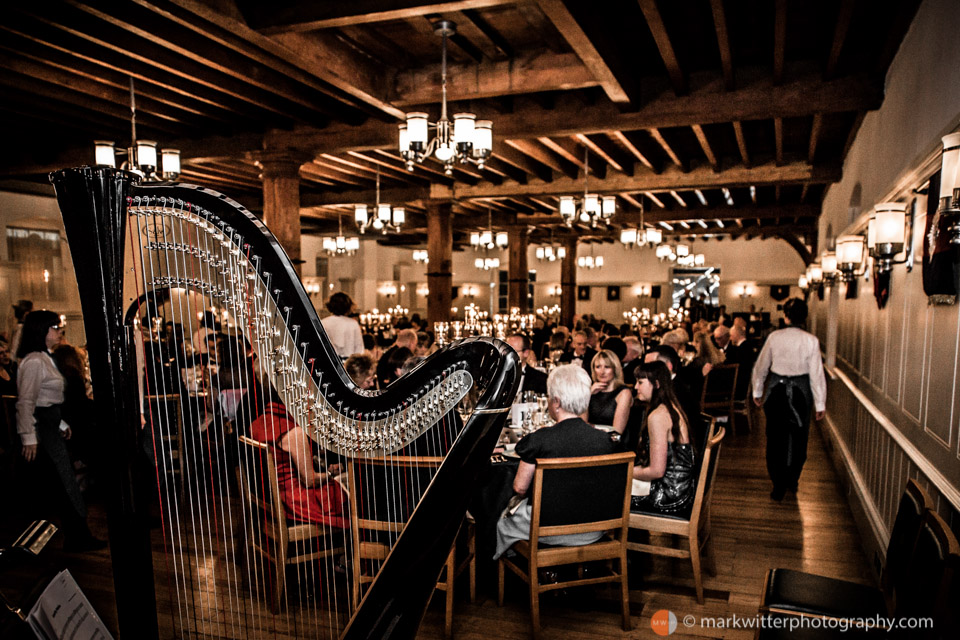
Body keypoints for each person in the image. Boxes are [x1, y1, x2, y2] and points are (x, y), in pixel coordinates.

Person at [493, 365, 617, 559]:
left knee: (502, 521)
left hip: (549, 528)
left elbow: (519, 488)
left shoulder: (540, 440)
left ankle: (522, 569)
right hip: (595, 528)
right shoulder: (605, 439)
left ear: (556, 402)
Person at [17, 310, 105, 551]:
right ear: (42, 331)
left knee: (63, 482)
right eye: (54, 328)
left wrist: (61, 423)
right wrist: (28, 438)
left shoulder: (46, 357)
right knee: (61, 483)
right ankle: (74, 537)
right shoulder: (34, 360)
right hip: (41, 430)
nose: (59, 332)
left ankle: (76, 535)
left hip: (50, 423)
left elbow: (46, 400)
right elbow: (26, 402)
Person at [752, 298, 826, 501]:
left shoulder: (774, 337)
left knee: (775, 439)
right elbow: (817, 374)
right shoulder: (811, 340)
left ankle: (778, 485)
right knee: (800, 438)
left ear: (785, 316)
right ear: (804, 318)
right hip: (801, 394)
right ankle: (792, 479)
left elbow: (761, 367)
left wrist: (757, 391)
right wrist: (820, 403)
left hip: (776, 392)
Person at [248, 391, 347, 528]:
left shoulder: (257, 423)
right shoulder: (294, 432)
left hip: (269, 496)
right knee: (349, 498)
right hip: (294, 502)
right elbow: (309, 481)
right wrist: (332, 474)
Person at [630, 361, 696, 514]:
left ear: (657, 384)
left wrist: (625, 471)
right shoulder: (670, 407)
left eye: (640, 382)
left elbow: (657, 471)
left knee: (609, 487)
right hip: (681, 487)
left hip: (669, 495)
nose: (635, 387)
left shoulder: (658, 416)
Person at [587, 349, 633, 435]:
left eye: (607, 367)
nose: (602, 372)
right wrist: (588, 395)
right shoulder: (590, 390)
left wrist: (592, 427)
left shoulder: (624, 393)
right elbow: (581, 424)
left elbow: (616, 432)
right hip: (589, 439)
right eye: (598, 367)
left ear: (615, 369)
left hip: (613, 443)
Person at [320, 292, 364, 360]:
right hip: (349, 362)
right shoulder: (353, 324)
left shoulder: (323, 323)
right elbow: (359, 349)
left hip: (330, 361)